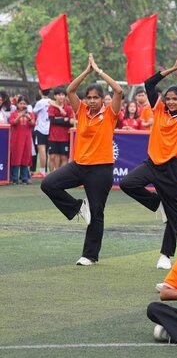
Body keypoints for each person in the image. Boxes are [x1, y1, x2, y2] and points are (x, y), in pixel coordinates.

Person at [120, 52, 177, 270]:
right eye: (168, 98)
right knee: (127, 183)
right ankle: (156, 203)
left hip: (174, 168)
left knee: (173, 215)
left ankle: (166, 255)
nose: (171, 102)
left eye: (175, 99)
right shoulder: (158, 110)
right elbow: (149, 83)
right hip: (152, 163)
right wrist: (170, 69)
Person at [41, 55, 123, 265]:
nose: (92, 101)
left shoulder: (111, 112)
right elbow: (70, 90)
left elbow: (119, 91)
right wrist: (86, 72)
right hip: (79, 166)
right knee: (48, 184)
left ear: (102, 98)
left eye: (96, 97)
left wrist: (100, 72)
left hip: (101, 169)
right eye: (90, 97)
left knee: (97, 212)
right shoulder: (82, 111)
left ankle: (89, 255)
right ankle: (77, 207)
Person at [9, 96, 35, 185]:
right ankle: (14, 178)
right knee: (16, 157)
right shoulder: (14, 114)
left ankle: (24, 178)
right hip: (16, 139)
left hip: (27, 139)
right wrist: (20, 115)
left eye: (24, 103)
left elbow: (33, 124)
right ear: (17, 104)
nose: (22, 105)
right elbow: (13, 123)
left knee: (25, 156)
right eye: (20, 103)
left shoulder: (30, 114)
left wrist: (28, 117)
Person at [46, 87, 74, 171]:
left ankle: (61, 176)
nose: (61, 97)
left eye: (62, 95)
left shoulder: (68, 108)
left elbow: (70, 121)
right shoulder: (52, 107)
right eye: (58, 95)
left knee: (64, 157)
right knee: (53, 157)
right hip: (53, 137)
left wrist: (61, 119)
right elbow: (52, 120)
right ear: (55, 96)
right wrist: (64, 119)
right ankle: (51, 176)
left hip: (64, 137)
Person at [31, 89, 51, 178]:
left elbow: (34, 111)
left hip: (41, 128)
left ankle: (42, 171)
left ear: (40, 91)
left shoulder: (40, 102)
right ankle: (50, 171)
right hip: (50, 128)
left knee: (41, 149)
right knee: (50, 151)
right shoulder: (52, 101)